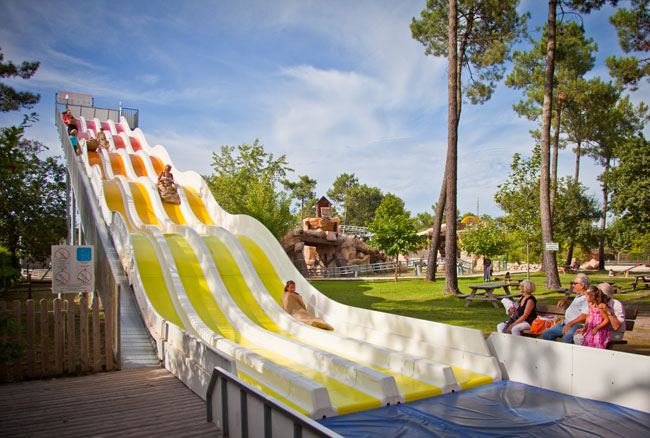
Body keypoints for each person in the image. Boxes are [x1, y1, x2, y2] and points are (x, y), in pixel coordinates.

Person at [541, 273, 590, 343]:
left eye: (575, 283)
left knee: (566, 339)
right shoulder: (578, 295)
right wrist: (566, 302)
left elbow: (585, 315)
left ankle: (565, 353)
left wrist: (570, 324)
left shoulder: (587, 298)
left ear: (582, 285)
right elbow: (578, 307)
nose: (573, 285)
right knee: (546, 333)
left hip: (577, 325)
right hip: (566, 323)